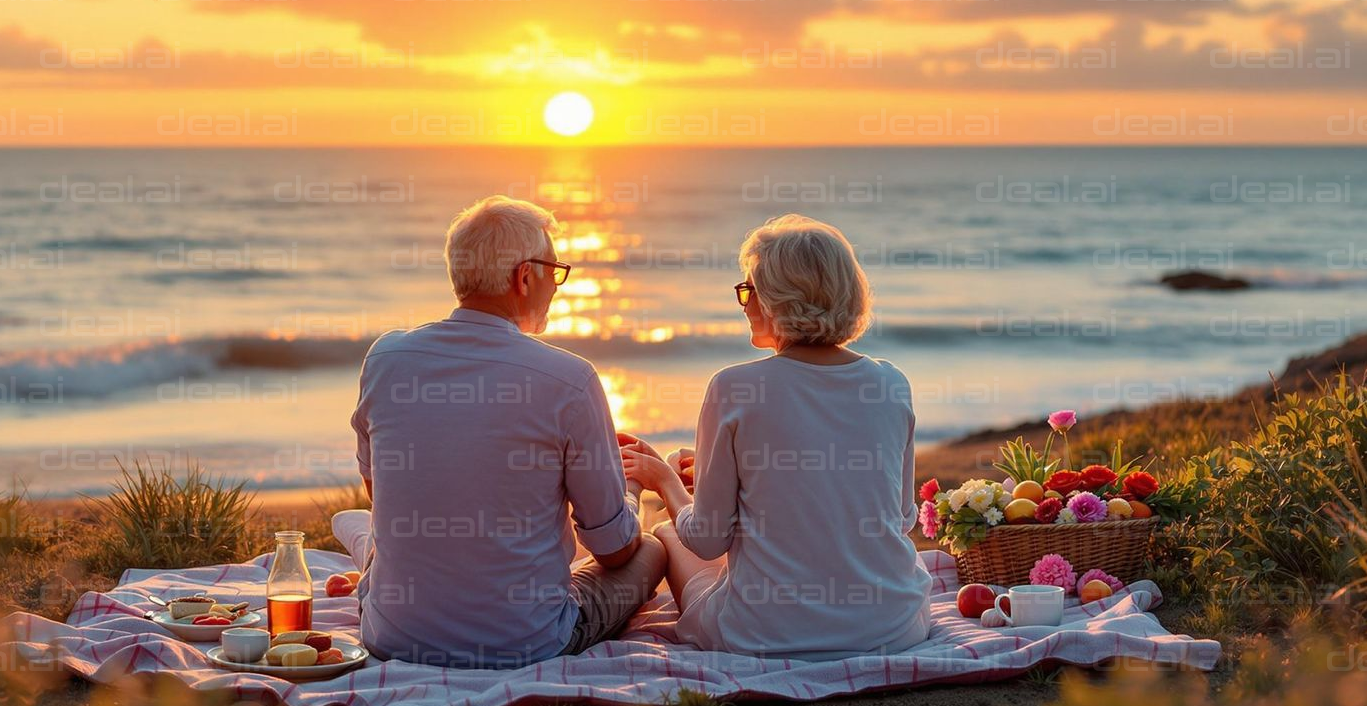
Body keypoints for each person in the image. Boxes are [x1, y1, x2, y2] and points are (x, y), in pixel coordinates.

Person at [340, 195, 664, 668]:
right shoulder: (570, 380)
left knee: (368, 528)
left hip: (391, 634)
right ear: (524, 276)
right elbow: (614, 551)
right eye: (554, 271)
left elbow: (381, 493)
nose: (556, 286)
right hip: (525, 643)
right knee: (651, 549)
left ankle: (365, 553)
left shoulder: (386, 357)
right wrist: (629, 487)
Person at [620, 214, 932, 659]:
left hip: (767, 636)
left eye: (749, 289)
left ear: (776, 300)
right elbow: (901, 518)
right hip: (894, 627)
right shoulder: (890, 383)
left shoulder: (734, 387)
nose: (744, 303)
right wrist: (730, 475)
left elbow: (707, 539)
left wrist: (666, 481)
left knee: (670, 533)